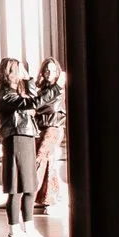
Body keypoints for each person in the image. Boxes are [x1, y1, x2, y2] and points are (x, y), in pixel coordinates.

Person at [0, 57, 43, 237]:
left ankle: (29, 227)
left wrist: (28, 80)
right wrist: (56, 89)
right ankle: (14, 230)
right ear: (9, 73)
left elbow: (32, 100)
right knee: (15, 188)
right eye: (18, 70)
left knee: (30, 186)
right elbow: (32, 103)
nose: (21, 73)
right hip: (15, 138)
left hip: (26, 137)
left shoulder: (14, 92)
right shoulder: (5, 95)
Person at [31, 58, 69, 214]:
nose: (49, 73)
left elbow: (42, 103)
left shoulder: (58, 89)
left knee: (41, 156)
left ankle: (32, 193)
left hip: (53, 128)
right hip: (41, 128)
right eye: (47, 70)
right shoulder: (41, 89)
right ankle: (50, 199)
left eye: (53, 70)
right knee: (47, 161)